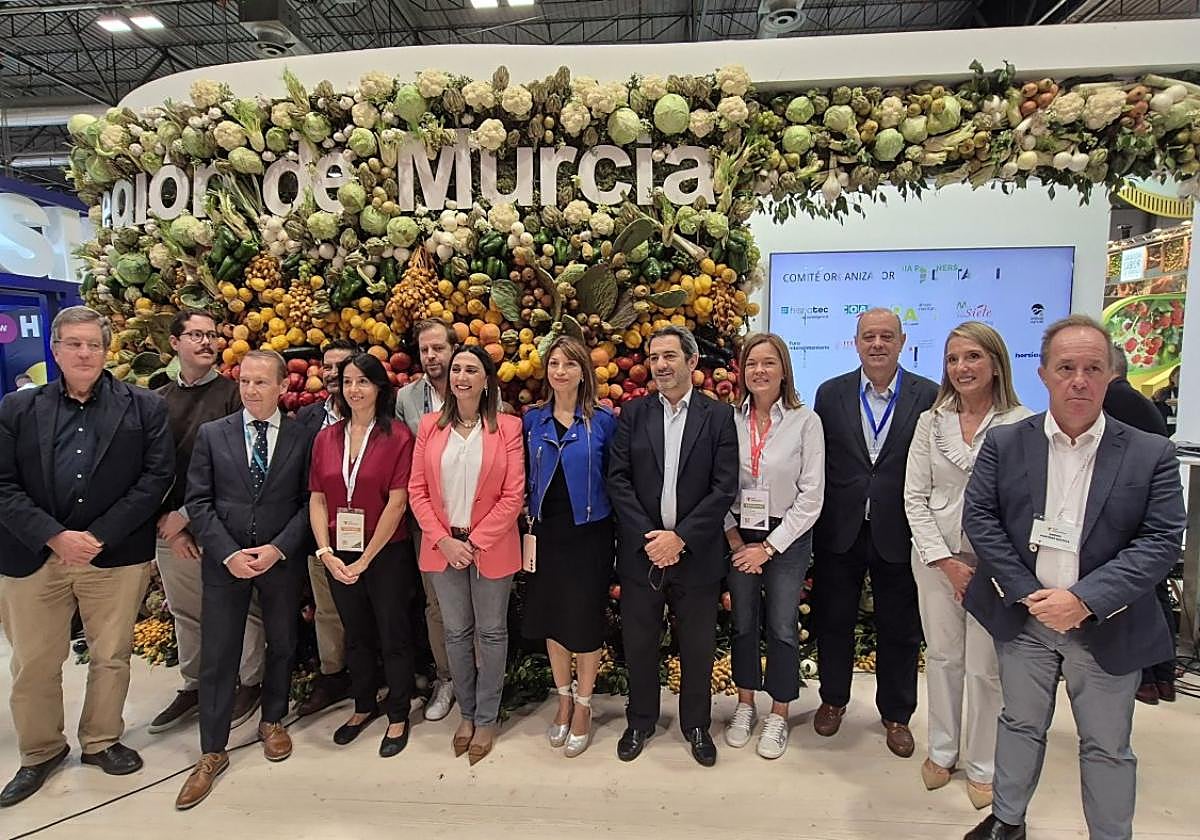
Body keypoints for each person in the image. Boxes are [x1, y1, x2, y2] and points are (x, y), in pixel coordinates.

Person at [961, 315, 1185, 840]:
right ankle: (1007, 820)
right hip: (1025, 617)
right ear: (1043, 375)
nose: (1078, 380)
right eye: (1066, 368)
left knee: (1107, 745)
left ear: (1110, 375)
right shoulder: (1007, 444)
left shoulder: (1151, 453)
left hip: (1108, 624)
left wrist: (1084, 600)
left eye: (1092, 368)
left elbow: (1159, 541)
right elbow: (981, 520)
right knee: (1019, 724)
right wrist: (1026, 592)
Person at [0, 305, 173, 808]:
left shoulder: (144, 407)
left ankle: (101, 740)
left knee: (111, 654)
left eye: (93, 344)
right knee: (33, 661)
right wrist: (55, 536)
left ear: (106, 350)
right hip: (34, 555)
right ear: (55, 350)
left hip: (113, 555)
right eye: (73, 344)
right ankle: (40, 751)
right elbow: (4, 485)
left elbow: (155, 479)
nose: (83, 352)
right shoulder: (17, 409)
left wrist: (97, 535)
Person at [175, 350, 313, 809]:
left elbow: (308, 502)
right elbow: (199, 500)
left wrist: (278, 548)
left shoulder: (301, 436)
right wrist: (228, 553)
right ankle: (212, 750)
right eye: (245, 382)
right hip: (225, 562)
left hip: (279, 560)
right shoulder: (214, 435)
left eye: (261, 383)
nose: (251, 390)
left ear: (281, 387)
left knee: (283, 642)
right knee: (219, 654)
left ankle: (273, 719)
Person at [903, 322, 1032, 810]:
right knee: (942, 658)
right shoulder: (930, 421)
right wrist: (944, 559)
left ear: (996, 362)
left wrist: (987, 564)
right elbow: (914, 497)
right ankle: (942, 751)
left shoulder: (1023, 422)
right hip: (934, 560)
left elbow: (1023, 505)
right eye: (954, 359)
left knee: (985, 668)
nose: (962, 368)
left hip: (996, 567)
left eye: (973, 357)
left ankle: (982, 766)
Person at [608, 325, 739, 767]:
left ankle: (696, 725)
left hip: (695, 553)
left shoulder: (718, 417)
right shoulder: (634, 414)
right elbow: (619, 480)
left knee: (698, 645)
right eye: (654, 356)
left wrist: (680, 537)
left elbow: (724, 488)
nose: (660, 365)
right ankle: (641, 719)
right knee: (640, 642)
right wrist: (653, 538)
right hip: (643, 551)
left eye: (669, 356)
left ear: (692, 362)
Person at [811, 307, 938, 758]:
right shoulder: (830, 394)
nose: (878, 344)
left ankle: (897, 714)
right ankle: (833, 699)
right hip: (839, 527)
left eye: (887, 336)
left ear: (902, 342)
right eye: (869, 336)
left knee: (900, 627)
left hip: (900, 529)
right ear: (856, 342)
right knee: (834, 620)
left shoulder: (930, 395)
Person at [408, 345, 524, 765]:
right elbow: (417, 491)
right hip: (443, 548)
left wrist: (474, 543)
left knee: (491, 633)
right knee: (456, 633)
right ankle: (468, 713)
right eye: (456, 368)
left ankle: (488, 717)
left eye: (471, 369)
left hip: (489, 547)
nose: (460, 376)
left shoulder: (507, 427)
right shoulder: (428, 427)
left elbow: (513, 496)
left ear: (486, 379)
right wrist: (443, 540)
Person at [150, 310, 263, 736]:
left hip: (223, 524)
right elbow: (148, 469)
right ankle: (195, 685)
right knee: (186, 610)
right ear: (175, 343)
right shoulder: (156, 399)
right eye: (195, 334)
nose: (206, 342)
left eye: (212, 335)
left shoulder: (235, 396)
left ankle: (250, 681)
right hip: (170, 528)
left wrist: (189, 518)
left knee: (244, 608)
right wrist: (168, 521)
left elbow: (241, 468)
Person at [309, 352, 417, 758]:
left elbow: (397, 503)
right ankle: (363, 705)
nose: (354, 389)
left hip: (385, 551)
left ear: (379, 388)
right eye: (348, 381)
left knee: (393, 632)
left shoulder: (398, 436)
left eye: (363, 382)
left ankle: (398, 712)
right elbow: (317, 499)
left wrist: (367, 558)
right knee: (354, 632)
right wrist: (324, 551)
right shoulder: (326, 438)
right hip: (338, 550)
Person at [722, 332, 824, 760]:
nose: (759, 371)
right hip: (738, 531)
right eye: (751, 364)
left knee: (782, 625)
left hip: (788, 535)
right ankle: (745, 704)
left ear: (784, 370)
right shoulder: (728, 420)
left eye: (768, 363)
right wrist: (733, 538)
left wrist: (769, 548)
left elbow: (812, 495)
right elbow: (717, 486)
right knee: (743, 622)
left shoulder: (805, 421)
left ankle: (779, 710)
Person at [522, 336, 617, 758]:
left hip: (590, 533)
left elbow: (619, 478)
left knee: (583, 621)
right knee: (553, 620)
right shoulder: (532, 421)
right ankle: (562, 697)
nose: (560, 371)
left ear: (584, 371)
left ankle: (584, 704)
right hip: (546, 533)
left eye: (569, 364)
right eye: (554, 363)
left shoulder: (605, 421)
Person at [1101, 343, 1175, 707]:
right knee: (1154, 594)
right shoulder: (1145, 403)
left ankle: (1145, 678)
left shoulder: (1114, 402)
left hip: (1126, 515)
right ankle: (1162, 677)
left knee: (1132, 601)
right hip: (1147, 513)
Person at [395, 319, 457, 721]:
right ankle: (448, 677)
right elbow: (405, 462)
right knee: (437, 603)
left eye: (438, 348)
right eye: (425, 350)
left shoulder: (479, 384)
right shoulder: (406, 399)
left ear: (453, 349)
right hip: (428, 520)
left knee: (479, 604)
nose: (431, 357)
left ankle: (482, 680)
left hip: (477, 517)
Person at [293, 339, 357, 716]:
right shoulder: (308, 420)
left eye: (342, 367)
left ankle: (374, 673)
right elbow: (302, 480)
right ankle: (333, 675)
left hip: (372, 534)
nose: (334, 374)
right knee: (328, 609)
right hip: (324, 533)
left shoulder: (381, 419)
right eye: (328, 366)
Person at [1151, 364, 1179, 435]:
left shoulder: (1191, 394)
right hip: (1163, 429)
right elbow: (1152, 405)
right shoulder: (1162, 392)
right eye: (1178, 376)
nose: (1181, 379)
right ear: (1172, 378)